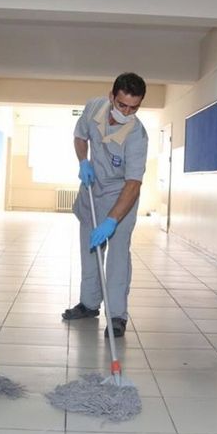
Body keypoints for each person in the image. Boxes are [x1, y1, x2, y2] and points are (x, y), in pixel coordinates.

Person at [62, 73, 148, 339]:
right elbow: (80, 136)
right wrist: (82, 162)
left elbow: (133, 184)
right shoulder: (94, 107)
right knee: (90, 250)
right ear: (112, 97)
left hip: (122, 195)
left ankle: (117, 315)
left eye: (134, 107)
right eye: (122, 105)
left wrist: (112, 220)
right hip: (92, 188)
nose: (127, 112)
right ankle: (89, 304)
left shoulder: (137, 135)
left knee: (118, 255)